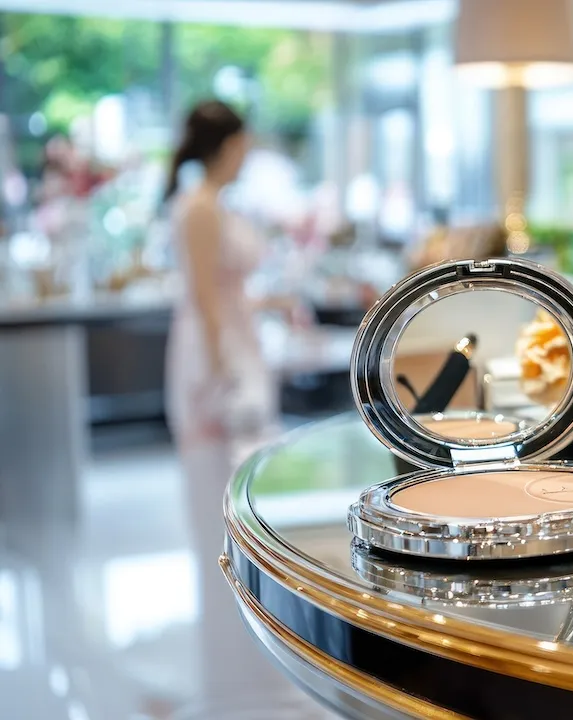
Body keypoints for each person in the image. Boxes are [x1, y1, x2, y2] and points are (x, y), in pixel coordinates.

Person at [162, 100, 302, 707]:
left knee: (236, 499)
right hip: (213, 358)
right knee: (217, 499)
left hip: (232, 344)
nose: (247, 156)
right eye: (244, 145)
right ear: (227, 145)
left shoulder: (212, 205)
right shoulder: (199, 208)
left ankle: (247, 648)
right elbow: (204, 298)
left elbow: (226, 291)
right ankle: (231, 662)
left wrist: (263, 311)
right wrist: (223, 373)